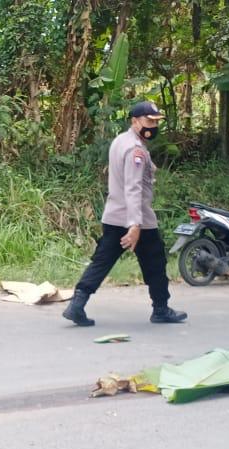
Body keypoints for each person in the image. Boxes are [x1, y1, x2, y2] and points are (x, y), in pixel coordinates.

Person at [62, 101, 188, 327]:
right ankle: (161, 309)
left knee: (101, 261)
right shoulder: (135, 150)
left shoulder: (122, 140)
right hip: (137, 219)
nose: (153, 126)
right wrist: (135, 226)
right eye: (149, 121)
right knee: (155, 263)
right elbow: (133, 187)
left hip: (114, 215)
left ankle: (77, 304)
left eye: (156, 122)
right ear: (135, 121)